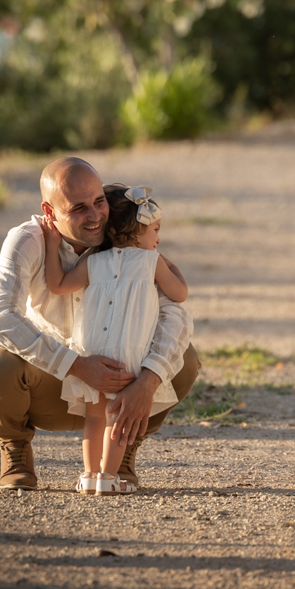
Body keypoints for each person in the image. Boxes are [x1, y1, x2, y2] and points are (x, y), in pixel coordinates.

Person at [0, 157, 199, 492]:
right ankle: (16, 452)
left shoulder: (124, 235)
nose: (95, 215)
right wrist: (76, 365)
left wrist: (148, 381)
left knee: (183, 361)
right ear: (50, 211)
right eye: (78, 208)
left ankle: (122, 454)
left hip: (120, 384)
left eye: (99, 201)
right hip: (54, 383)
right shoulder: (28, 241)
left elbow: (177, 313)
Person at [42, 184, 188, 496]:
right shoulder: (152, 262)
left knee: (94, 417)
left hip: (92, 352)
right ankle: (109, 478)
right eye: (156, 231)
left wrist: (51, 244)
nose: (158, 239)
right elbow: (180, 293)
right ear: (138, 232)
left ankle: (89, 476)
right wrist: (167, 262)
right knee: (117, 420)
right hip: (127, 354)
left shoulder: (94, 261)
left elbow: (57, 285)